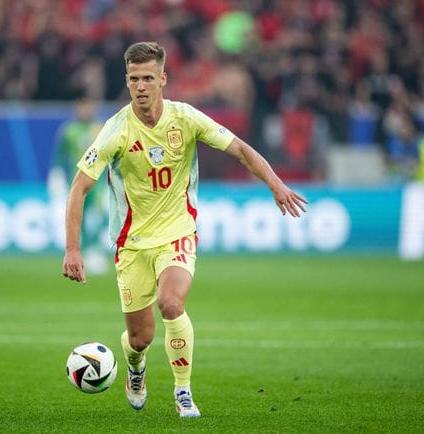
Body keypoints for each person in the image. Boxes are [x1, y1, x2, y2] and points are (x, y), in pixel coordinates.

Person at [62, 42, 307, 418]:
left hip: (178, 231)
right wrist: (73, 249)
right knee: (140, 338)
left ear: (163, 79)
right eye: (133, 79)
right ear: (127, 82)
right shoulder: (115, 130)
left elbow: (240, 149)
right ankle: (135, 368)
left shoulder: (186, 118)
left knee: (172, 303)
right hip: (132, 243)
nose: (141, 86)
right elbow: (79, 187)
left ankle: (183, 392)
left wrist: (276, 184)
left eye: (148, 78)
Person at [48, 99, 108, 274]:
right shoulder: (68, 131)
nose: (85, 109)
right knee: (77, 217)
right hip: (76, 182)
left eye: (88, 106)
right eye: (82, 106)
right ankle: (85, 250)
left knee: (101, 216)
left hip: (98, 184)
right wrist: (56, 175)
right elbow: (60, 155)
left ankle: (93, 247)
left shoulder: (101, 128)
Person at [387, 111, 424, 184]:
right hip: (404, 185)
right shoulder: (396, 143)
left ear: (411, 127)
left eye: (403, 127)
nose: (399, 130)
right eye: (399, 127)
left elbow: (418, 166)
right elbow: (390, 163)